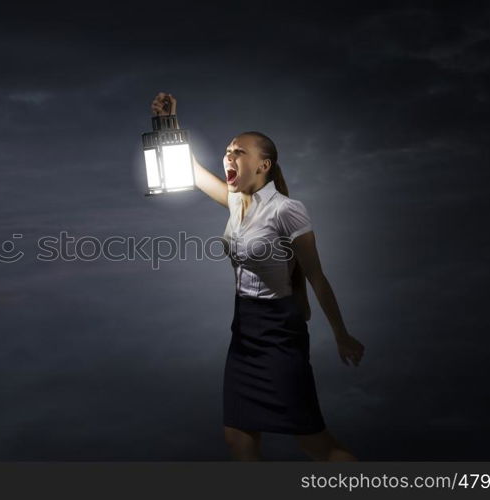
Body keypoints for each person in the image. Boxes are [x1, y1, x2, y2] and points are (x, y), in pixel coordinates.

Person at [150, 92, 366, 461]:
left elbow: (317, 278)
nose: (228, 157)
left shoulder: (287, 211)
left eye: (238, 152)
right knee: (237, 436)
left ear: (263, 165)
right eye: (227, 150)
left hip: (279, 331)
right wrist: (168, 121)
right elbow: (187, 166)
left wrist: (341, 335)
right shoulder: (236, 201)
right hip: (244, 330)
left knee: (314, 442)